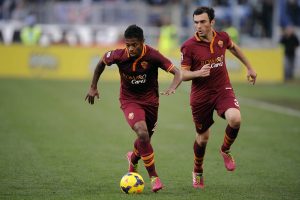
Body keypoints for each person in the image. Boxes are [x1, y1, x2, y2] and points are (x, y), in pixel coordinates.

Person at [85, 24, 182, 192]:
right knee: (142, 132)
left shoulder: (153, 55)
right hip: (129, 100)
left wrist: (173, 86)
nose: (130, 48)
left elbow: (177, 73)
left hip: (151, 102)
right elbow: (101, 62)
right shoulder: (118, 55)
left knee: (145, 140)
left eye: (134, 45)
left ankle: (133, 159)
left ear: (143, 42)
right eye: (127, 44)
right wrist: (93, 86)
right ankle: (154, 177)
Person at [180, 7, 257, 189]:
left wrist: (250, 67)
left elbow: (234, 48)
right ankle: (197, 171)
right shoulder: (189, 46)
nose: (199, 25)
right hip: (201, 97)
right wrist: (198, 73)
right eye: (196, 22)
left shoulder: (222, 37)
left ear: (212, 22)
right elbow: (182, 75)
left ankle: (225, 150)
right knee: (203, 137)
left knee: (235, 119)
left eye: (203, 22)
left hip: (222, 89)